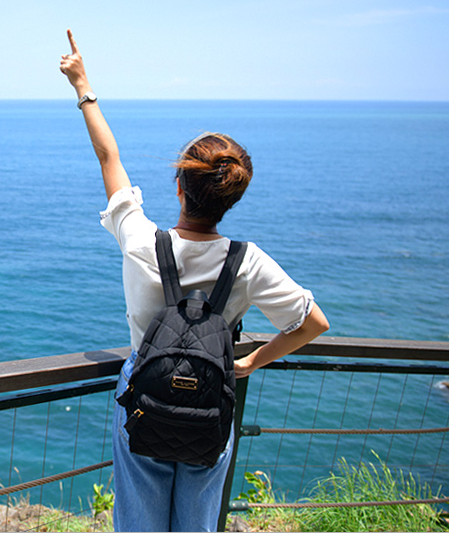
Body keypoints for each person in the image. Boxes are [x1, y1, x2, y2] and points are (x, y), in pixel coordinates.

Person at [59, 29, 330, 532]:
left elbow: (109, 160)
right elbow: (313, 323)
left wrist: (82, 84)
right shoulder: (248, 263)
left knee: (140, 520)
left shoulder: (141, 241)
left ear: (179, 188)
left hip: (145, 391)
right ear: (231, 199)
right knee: (198, 522)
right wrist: (249, 362)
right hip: (211, 393)